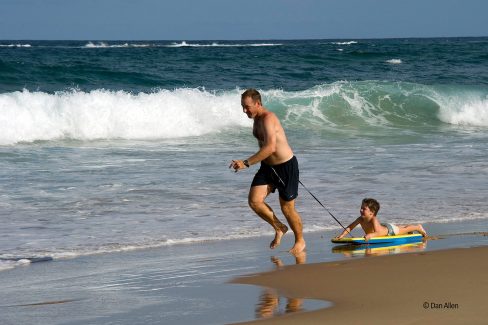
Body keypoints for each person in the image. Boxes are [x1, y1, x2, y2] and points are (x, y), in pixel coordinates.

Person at [229, 88, 306, 255]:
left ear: (258, 103)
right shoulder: (256, 118)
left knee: (287, 208)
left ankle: (300, 240)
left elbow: (271, 147)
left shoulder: (268, 118)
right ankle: (280, 227)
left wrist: (246, 163)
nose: (244, 110)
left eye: (247, 107)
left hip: (286, 166)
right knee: (254, 201)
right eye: (242, 106)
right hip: (268, 167)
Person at [335, 198, 427, 240]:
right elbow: (350, 227)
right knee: (402, 228)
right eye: (361, 208)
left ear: (372, 212)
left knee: (404, 229)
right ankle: (413, 228)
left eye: (364, 209)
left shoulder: (373, 219)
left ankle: (418, 227)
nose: (361, 210)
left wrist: (370, 236)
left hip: (389, 230)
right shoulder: (360, 219)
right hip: (382, 226)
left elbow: (378, 233)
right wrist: (342, 235)